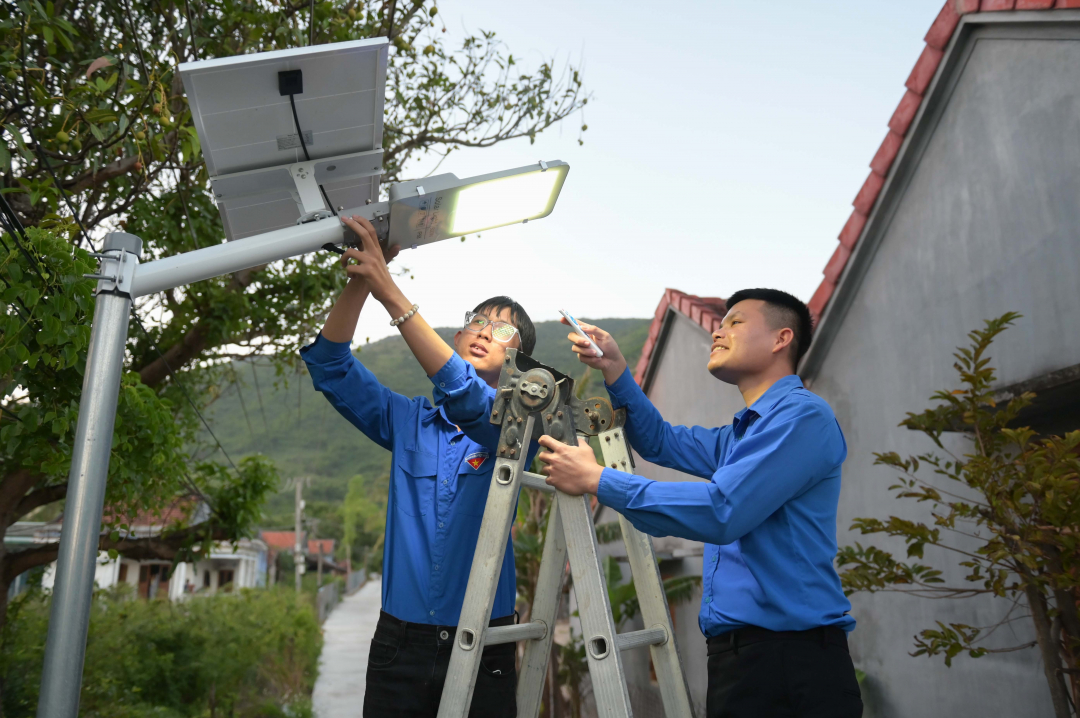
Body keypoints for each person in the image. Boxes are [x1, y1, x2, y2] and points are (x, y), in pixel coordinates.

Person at [538, 288, 862, 718]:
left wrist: (597, 479)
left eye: (735, 322)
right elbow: (660, 442)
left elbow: (720, 511)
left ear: (782, 338)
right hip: (742, 659)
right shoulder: (739, 437)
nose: (718, 330)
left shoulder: (802, 417)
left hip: (791, 660)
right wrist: (615, 370)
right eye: (719, 321)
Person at [301, 215, 535, 718]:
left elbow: (470, 400)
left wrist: (393, 294)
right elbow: (330, 366)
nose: (487, 331)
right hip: (398, 645)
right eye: (479, 320)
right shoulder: (407, 421)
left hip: (483, 646)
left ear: (520, 365)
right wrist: (363, 281)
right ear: (457, 333)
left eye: (504, 329)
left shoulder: (521, 426)